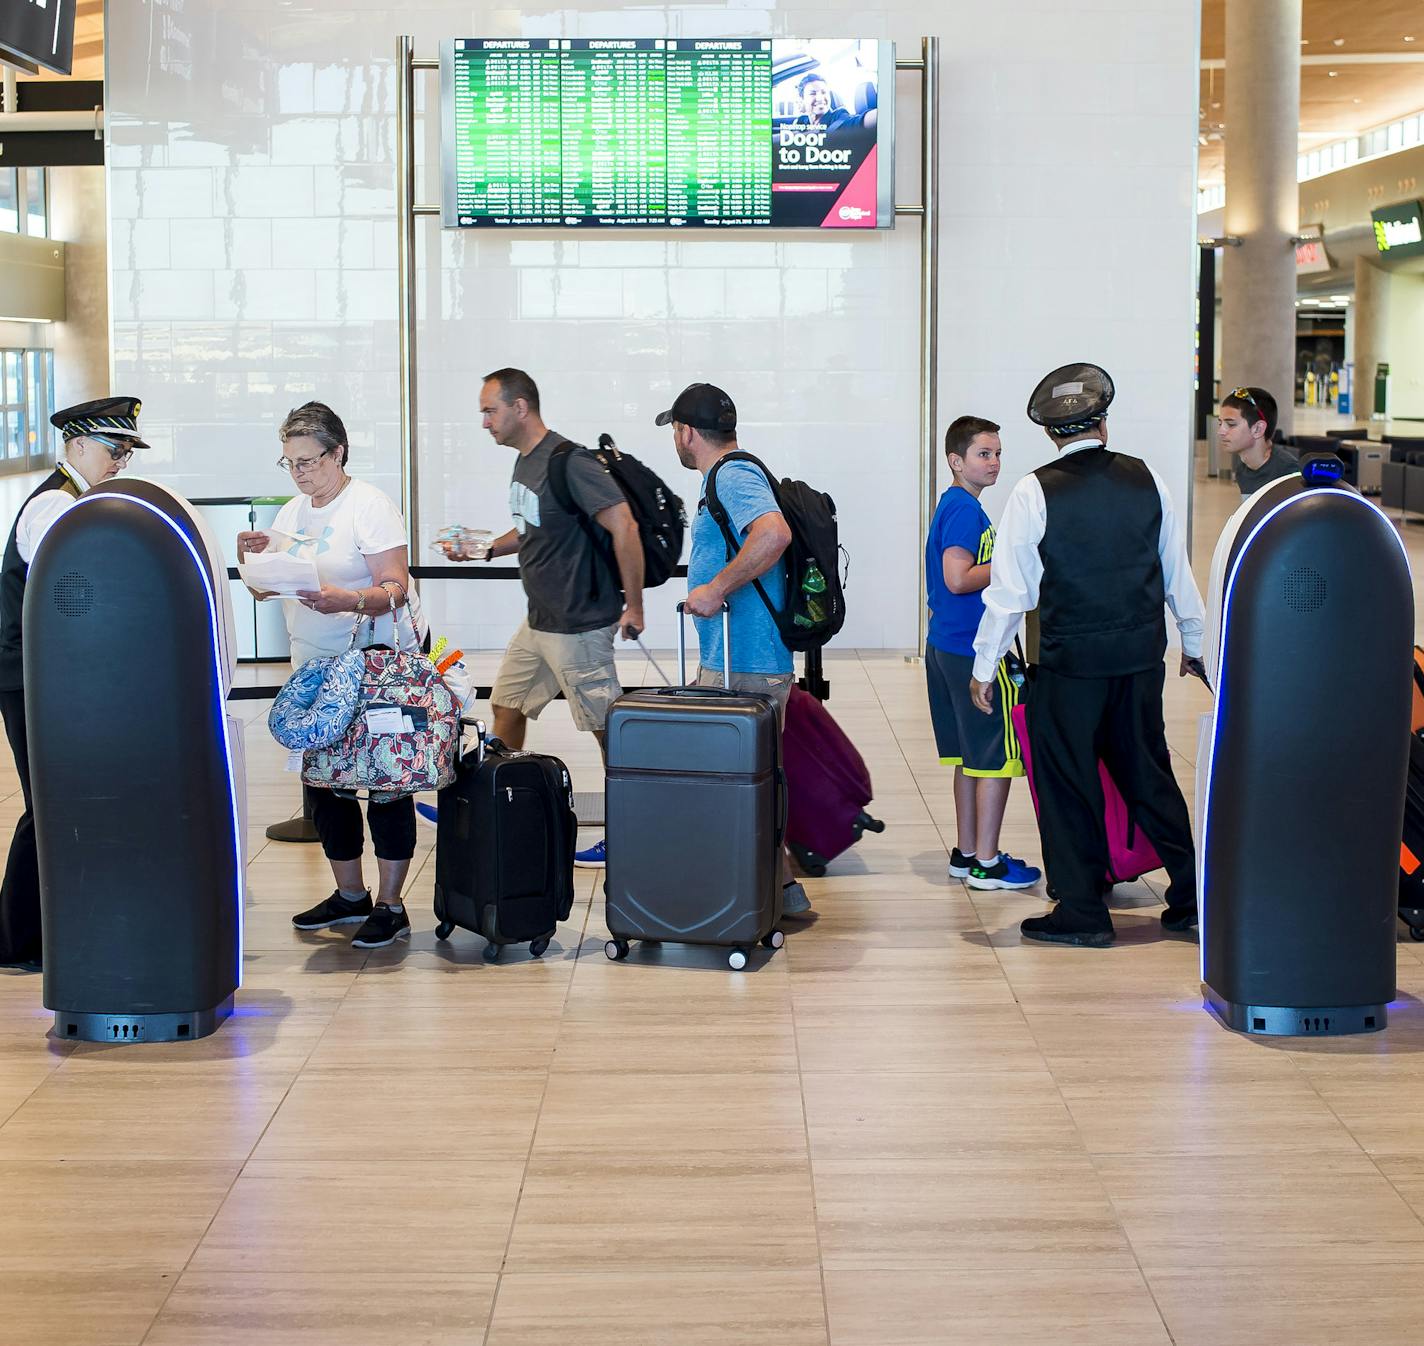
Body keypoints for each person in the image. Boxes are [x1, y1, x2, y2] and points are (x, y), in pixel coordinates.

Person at [969, 363, 1207, 947]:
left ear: (1051, 433)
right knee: (1148, 773)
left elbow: (1012, 592)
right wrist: (1195, 645)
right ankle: (1192, 898)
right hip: (1138, 658)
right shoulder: (1148, 479)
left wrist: (984, 665)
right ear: (1103, 424)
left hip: (1068, 666)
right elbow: (1175, 570)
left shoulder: (1033, 490)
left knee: (1068, 781)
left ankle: (1082, 909)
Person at [438, 368, 644, 868]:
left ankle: (633, 832)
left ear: (520, 408)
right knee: (506, 708)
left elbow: (625, 525)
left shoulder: (569, 462)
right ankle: (492, 810)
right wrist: (486, 548)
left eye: (490, 410)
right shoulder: (525, 464)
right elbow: (529, 529)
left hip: (579, 624)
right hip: (538, 623)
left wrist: (634, 603)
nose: (485, 422)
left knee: (605, 731)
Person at [238, 401, 426, 950]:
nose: (299, 473)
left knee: (386, 782)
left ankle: (392, 904)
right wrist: (251, 561)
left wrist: (350, 599)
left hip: (373, 666)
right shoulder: (293, 513)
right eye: (289, 463)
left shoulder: (368, 506)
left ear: (338, 452)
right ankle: (350, 895)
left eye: (309, 461)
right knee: (323, 784)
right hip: (313, 669)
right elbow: (263, 587)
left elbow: (397, 586)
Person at [0, 397, 146, 969]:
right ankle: (16, 940)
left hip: (43, 672)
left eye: (127, 452)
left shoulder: (75, 501)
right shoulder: (54, 507)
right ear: (78, 444)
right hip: (27, 673)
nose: (121, 462)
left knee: (54, 802)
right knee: (48, 804)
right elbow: (66, 597)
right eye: (115, 449)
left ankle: (39, 933)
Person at [665, 381, 811, 915]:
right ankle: (782, 890)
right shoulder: (723, 478)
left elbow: (773, 535)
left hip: (745, 664)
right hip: (734, 659)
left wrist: (716, 588)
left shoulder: (733, 475)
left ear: (686, 432)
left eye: (674, 432)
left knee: (742, 784)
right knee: (750, 781)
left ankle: (747, 895)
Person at [925, 416, 1041, 891]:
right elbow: (957, 578)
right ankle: (988, 865)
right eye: (983, 454)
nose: (994, 462)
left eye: (997, 453)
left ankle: (967, 852)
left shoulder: (956, 505)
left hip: (945, 648)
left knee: (968, 759)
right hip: (970, 653)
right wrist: (1011, 564)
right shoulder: (965, 511)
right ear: (957, 461)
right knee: (994, 758)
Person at [1217, 386, 1298, 496]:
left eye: (1231, 424)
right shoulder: (1242, 469)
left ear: (1258, 429)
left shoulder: (1290, 473)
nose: (1220, 431)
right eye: (1220, 423)